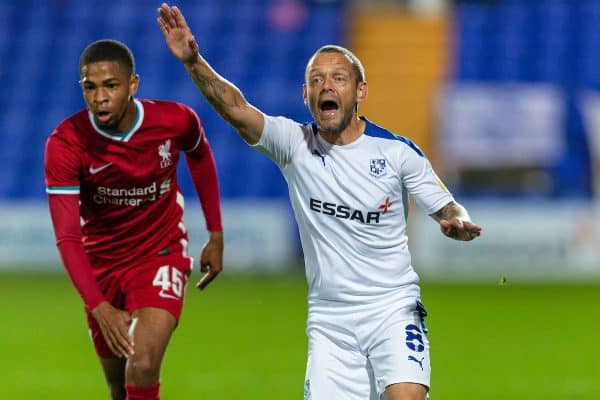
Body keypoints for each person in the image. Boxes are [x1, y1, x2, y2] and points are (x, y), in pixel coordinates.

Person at [157, 4, 482, 399]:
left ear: (360, 91)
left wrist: (455, 220)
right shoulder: (294, 144)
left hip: (393, 308)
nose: (327, 86)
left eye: (339, 78)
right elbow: (236, 108)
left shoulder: (398, 153)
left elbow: (446, 205)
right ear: (305, 94)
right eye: (317, 79)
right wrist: (193, 61)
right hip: (331, 320)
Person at [44, 39, 224, 400]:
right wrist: (99, 305)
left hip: (160, 253)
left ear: (133, 85)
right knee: (119, 387)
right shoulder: (65, 143)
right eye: (90, 87)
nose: (100, 98)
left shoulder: (174, 121)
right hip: (102, 266)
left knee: (141, 365)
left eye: (110, 85)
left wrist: (215, 233)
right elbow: (67, 237)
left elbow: (199, 155)